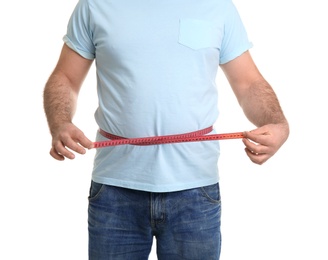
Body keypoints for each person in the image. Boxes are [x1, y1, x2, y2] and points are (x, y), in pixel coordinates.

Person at [43, 0, 289, 259]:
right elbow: (65, 77)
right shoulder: (95, 5)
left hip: (196, 192)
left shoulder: (217, 6)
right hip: (115, 191)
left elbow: (248, 83)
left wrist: (277, 122)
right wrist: (60, 122)